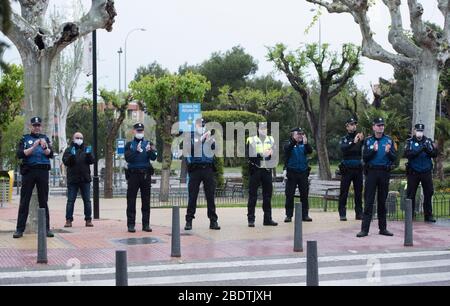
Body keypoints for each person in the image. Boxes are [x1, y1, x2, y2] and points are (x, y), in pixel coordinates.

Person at [13, 117, 54, 239]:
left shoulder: (45, 139)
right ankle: (19, 229)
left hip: (42, 171)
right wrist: (34, 146)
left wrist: (45, 147)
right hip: (29, 171)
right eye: (34, 125)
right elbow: (20, 154)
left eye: (38, 125)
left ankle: (46, 229)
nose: (37, 127)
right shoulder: (25, 139)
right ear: (31, 126)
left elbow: (51, 154)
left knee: (43, 201)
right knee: (24, 200)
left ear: (41, 127)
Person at [357, 118, 397, 238]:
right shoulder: (368, 140)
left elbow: (394, 158)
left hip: (384, 172)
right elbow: (365, 158)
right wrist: (373, 151)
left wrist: (389, 152)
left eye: (382, 125)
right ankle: (364, 230)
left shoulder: (389, 140)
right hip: (372, 172)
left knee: (382, 201)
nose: (381, 127)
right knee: (369, 201)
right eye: (378, 125)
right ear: (373, 127)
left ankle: (383, 228)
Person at [185, 118, 220, 231]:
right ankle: (189, 221)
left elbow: (215, 150)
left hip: (208, 169)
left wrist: (211, 141)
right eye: (200, 125)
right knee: (193, 196)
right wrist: (201, 139)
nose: (202, 127)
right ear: (196, 126)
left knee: (210, 196)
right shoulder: (190, 136)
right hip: (195, 169)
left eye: (203, 125)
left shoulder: (209, 137)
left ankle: (213, 221)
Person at [124, 123, 158, 233]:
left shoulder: (148, 143)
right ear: (134, 131)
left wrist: (150, 151)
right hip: (133, 175)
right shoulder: (129, 145)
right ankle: (131, 224)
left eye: (141, 131)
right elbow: (128, 158)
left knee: (146, 200)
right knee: (131, 200)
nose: (140, 133)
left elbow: (154, 157)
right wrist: (136, 151)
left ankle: (146, 224)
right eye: (138, 131)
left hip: (145, 175)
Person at [246, 123, 278, 227]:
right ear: (257, 129)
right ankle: (251, 219)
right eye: (261, 128)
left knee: (267, 196)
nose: (263, 130)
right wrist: (261, 155)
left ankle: (267, 219)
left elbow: (275, 153)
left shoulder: (271, 139)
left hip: (267, 170)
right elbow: (249, 155)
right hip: (256, 170)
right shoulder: (251, 140)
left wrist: (273, 153)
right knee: (252, 196)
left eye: (265, 128)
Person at [404, 123, 438, 222]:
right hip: (413, 172)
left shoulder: (428, 141)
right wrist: (420, 149)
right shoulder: (409, 142)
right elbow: (407, 154)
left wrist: (427, 149)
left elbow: (434, 154)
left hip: (426, 171)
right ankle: (410, 215)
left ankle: (428, 215)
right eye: (418, 130)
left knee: (429, 192)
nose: (419, 132)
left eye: (421, 131)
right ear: (414, 131)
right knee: (411, 194)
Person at [62, 132, 95, 228]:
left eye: (81, 137)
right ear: (73, 139)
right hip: (73, 179)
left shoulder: (86, 149)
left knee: (87, 201)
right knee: (71, 200)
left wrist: (89, 155)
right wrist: (72, 156)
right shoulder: (69, 150)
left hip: (85, 179)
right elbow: (66, 162)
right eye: (77, 137)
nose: (79, 139)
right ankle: (68, 220)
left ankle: (88, 219)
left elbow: (92, 161)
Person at [283, 128, 313, 223]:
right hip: (291, 173)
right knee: (290, 194)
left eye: (301, 134)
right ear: (293, 135)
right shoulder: (288, 143)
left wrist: (306, 143)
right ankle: (288, 215)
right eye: (298, 134)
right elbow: (287, 150)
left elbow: (310, 151)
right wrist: (294, 141)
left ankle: (305, 215)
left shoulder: (303, 145)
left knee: (304, 194)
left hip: (303, 172)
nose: (300, 136)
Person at [338, 117, 364, 221]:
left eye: (355, 124)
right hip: (347, 169)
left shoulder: (360, 137)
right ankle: (342, 213)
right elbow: (343, 149)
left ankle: (359, 213)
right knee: (344, 192)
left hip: (357, 168)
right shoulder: (344, 138)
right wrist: (353, 142)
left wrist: (361, 141)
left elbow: (364, 150)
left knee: (358, 192)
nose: (354, 126)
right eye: (351, 124)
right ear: (347, 126)